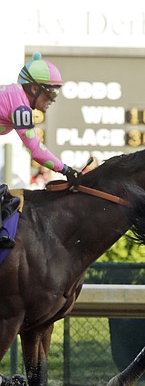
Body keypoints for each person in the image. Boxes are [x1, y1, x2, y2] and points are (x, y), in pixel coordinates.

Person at [0, 52, 80, 248]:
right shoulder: (20, 107)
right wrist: (67, 170)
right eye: (51, 92)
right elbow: (36, 150)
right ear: (34, 88)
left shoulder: (14, 96)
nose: (53, 99)